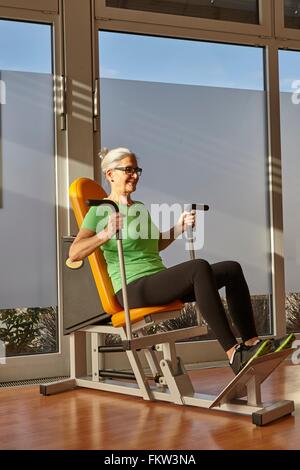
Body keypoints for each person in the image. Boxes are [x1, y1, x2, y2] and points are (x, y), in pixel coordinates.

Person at [69, 147, 295, 375]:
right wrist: (104, 234)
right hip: (133, 289)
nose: (135, 175)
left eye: (137, 170)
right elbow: (75, 252)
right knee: (198, 268)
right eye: (129, 169)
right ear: (110, 174)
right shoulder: (100, 211)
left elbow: (155, 244)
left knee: (231, 269)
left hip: (156, 280)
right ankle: (234, 354)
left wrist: (179, 227)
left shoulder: (138, 208)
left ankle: (250, 344)